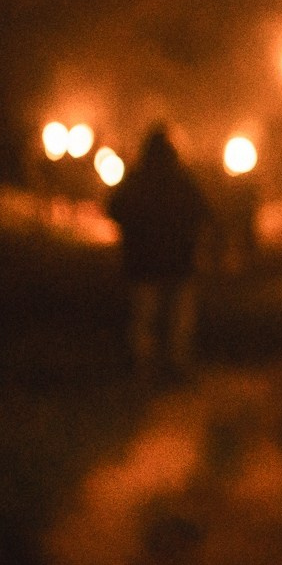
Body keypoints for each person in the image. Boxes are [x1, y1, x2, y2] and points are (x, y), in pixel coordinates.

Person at [104, 122, 210, 379]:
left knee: (144, 316)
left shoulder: (137, 179)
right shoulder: (182, 181)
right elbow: (204, 211)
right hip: (178, 261)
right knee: (178, 318)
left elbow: (114, 208)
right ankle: (176, 363)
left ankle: (143, 363)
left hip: (143, 261)